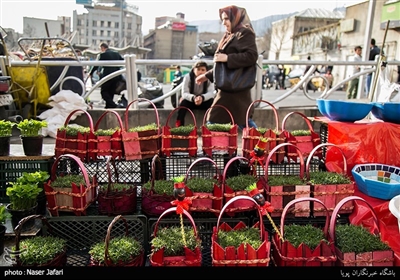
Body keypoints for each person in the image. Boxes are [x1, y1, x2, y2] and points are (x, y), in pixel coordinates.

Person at [195, 5, 258, 130]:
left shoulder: (244, 32)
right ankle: (261, 140)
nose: (223, 22)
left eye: (226, 19)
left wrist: (228, 58)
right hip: (230, 86)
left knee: (215, 118)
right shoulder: (230, 34)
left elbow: (252, 56)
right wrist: (206, 75)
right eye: (222, 19)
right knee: (242, 120)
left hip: (236, 86)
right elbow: (221, 65)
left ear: (235, 18)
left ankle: (261, 140)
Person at [175, 60, 215, 127]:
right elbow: (184, 93)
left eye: (203, 70)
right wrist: (193, 98)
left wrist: (202, 98)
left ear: (206, 71)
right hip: (191, 100)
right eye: (198, 69)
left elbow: (211, 93)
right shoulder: (187, 77)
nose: (200, 72)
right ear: (194, 70)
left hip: (204, 100)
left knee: (212, 103)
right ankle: (179, 126)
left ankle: (211, 125)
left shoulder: (209, 78)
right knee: (183, 103)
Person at [89, 42, 124, 109]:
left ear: (102, 47)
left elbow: (96, 65)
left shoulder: (102, 55)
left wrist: (91, 73)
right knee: (111, 91)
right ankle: (109, 106)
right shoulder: (116, 54)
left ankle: (113, 105)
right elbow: (122, 61)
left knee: (103, 92)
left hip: (107, 75)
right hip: (116, 76)